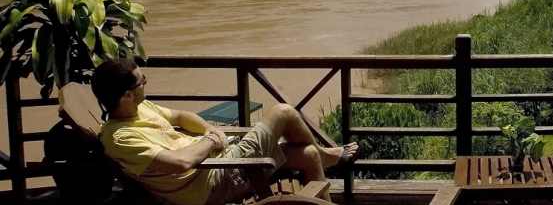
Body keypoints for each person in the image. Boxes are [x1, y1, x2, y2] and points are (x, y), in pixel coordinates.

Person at [91, 58, 358, 205]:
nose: (146, 84)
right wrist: (211, 140)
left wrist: (210, 128)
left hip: (221, 161)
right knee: (284, 112)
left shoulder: (141, 107)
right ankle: (329, 156)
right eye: (142, 81)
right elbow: (181, 162)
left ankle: (323, 170)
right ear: (126, 95)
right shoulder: (119, 137)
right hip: (213, 182)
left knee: (307, 154)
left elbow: (181, 116)